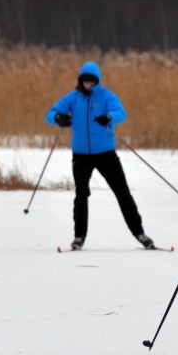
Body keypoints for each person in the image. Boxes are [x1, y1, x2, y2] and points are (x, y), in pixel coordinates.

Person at [45, 61, 157, 250]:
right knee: (81, 194)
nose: (88, 85)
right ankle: (79, 236)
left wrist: (109, 117)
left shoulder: (106, 96)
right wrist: (58, 118)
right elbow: (50, 114)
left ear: (98, 81)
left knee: (122, 191)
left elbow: (121, 113)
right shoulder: (73, 98)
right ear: (81, 81)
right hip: (81, 155)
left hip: (106, 154)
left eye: (92, 81)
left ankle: (139, 233)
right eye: (85, 81)